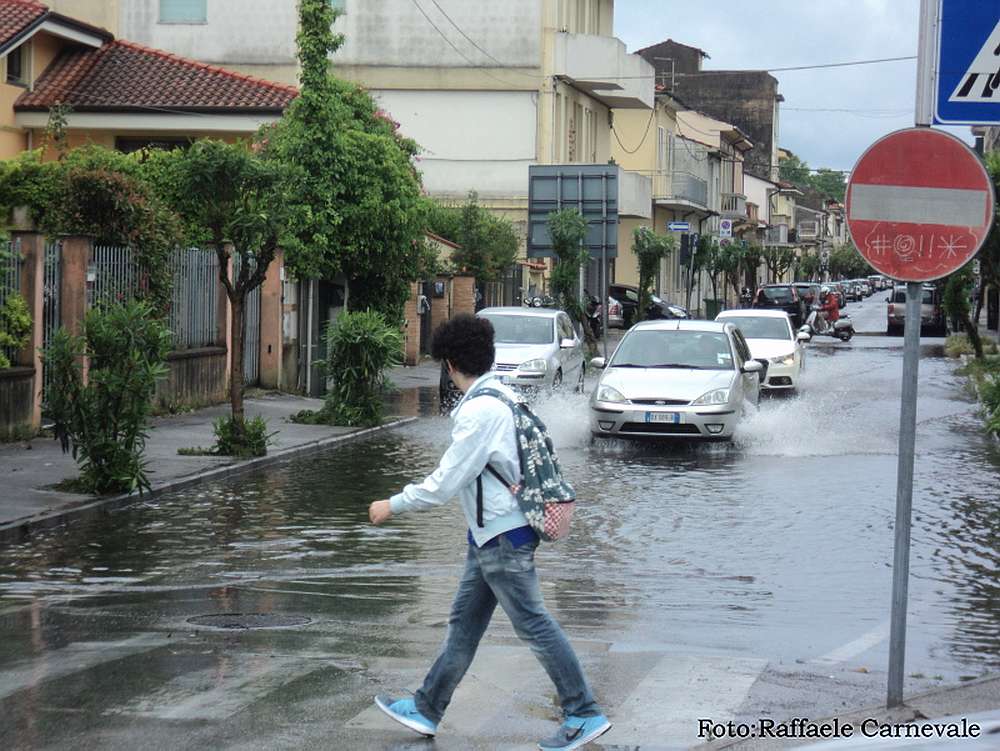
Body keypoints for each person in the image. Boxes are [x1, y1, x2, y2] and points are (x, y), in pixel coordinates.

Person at [368, 314, 611, 751]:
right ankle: (427, 708)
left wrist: (394, 504)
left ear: (449, 365)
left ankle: (583, 712)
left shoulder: (480, 411)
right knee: (464, 626)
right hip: (491, 537)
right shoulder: (503, 394)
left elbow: (446, 482)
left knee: (533, 624)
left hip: (503, 539)